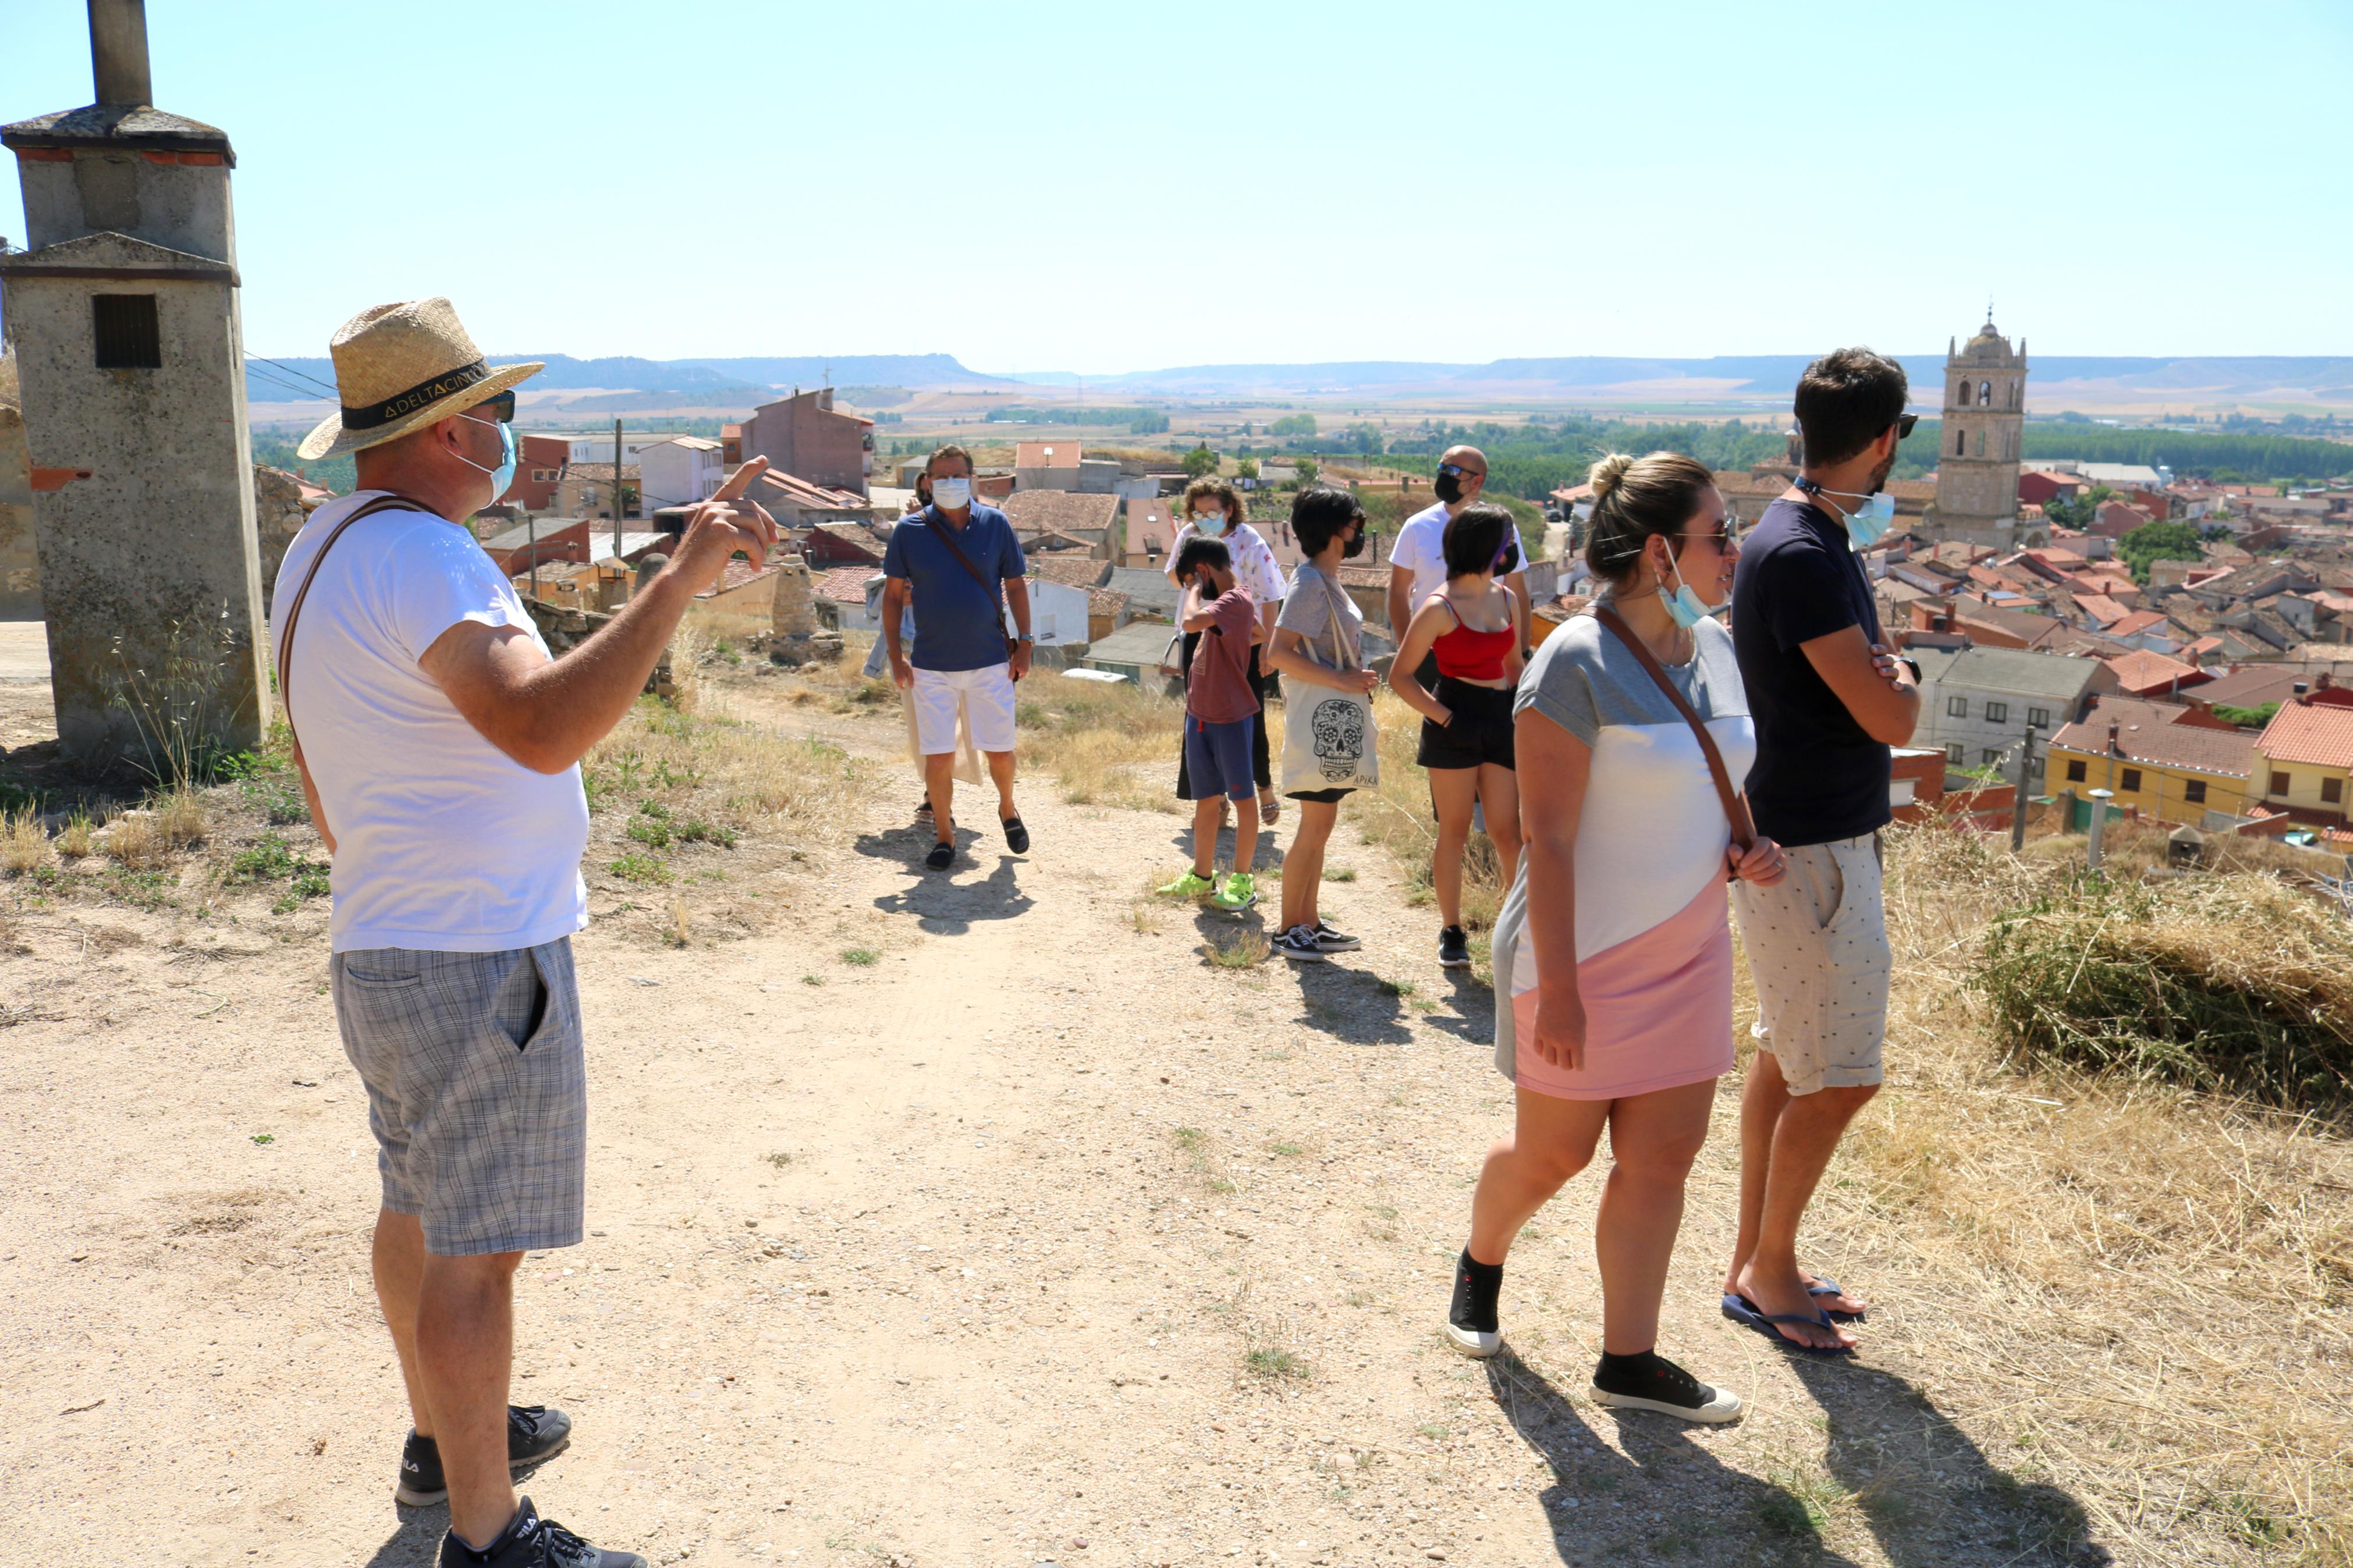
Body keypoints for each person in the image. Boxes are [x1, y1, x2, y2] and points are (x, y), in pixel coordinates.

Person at [278, 297, 775, 1568]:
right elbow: (542, 728)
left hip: (388, 941)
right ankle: (492, 1537)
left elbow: (320, 771)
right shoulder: (427, 557)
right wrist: (677, 582)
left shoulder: (324, 545)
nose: (509, 429)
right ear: (451, 430)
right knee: (477, 1257)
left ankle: (443, 1441)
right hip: (475, 957)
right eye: (497, 408)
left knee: (417, 1206)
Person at [1446, 451, 1787, 1424]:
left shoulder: (1714, 648)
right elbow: (1545, 840)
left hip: (1688, 948)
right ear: (1656, 552)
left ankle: (1627, 1361)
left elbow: (1710, 780)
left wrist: (1744, 845)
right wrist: (1558, 991)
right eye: (1719, 534)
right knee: (1552, 1156)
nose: (1734, 549)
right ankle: (1479, 1260)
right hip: (1578, 956)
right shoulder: (1571, 662)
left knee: (1661, 1160)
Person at [1722, 349, 1922, 1353]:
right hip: (1814, 852)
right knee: (1840, 1075)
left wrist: (1889, 677)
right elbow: (1888, 715)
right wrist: (1908, 679)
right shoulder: (1804, 554)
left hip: (1805, 841)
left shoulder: (1799, 535)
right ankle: (1767, 1271)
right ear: (1882, 440)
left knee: (1786, 1057)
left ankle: (1758, 1257)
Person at [882, 446, 1035, 871]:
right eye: (941, 476)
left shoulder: (996, 524)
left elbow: (1016, 586)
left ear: (972, 478)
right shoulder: (909, 530)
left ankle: (1007, 807)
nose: (950, 482)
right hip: (931, 666)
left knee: (1000, 752)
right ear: (927, 481)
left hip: (990, 660)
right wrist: (896, 656)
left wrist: (1025, 642)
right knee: (938, 756)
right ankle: (945, 838)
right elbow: (892, 597)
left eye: (958, 475)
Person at [1387, 503, 1525, 969]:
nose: (1512, 551)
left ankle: (1519, 929)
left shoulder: (1508, 599)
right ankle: (1451, 930)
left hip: (1499, 716)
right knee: (1455, 830)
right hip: (1453, 716)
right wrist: (1446, 719)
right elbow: (1400, 677)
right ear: (1488, 547)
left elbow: (1514, 667)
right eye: (1507, 542)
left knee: (1507, 832)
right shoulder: (1437, 607)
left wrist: (1525, 715)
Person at [1263, 486, 1378, 961]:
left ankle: (1307, 923)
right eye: (1355, 523)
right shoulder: (1311, 582)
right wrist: (1340, 679)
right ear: (1335, 529)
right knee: (1313, 827)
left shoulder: (1320, 578)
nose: (1360, 531)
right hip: (1322, 716)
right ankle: (1288, 928)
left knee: (1321, 825)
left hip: (1331, 714)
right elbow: (1276, 653)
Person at [1165, 477, 1286, 824]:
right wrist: (1191, 575)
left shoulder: (1250, 541)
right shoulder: (1188, 535)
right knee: (1200, 715)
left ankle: (1262, 785)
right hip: (1199, 636)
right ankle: (1214, 798)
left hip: (1241, 637)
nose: (1204, 519)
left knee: (1249, 714)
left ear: (1229, 509)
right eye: (1198, 513)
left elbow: (1270, 594)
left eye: (1212, 512)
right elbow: (1173, 575)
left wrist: (1267, 647)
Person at [1155, 536, 1262, 912]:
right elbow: (1259, 633)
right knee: (1206, 800)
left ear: (1202, 570)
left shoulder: (1235, 599)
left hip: (1230, 717)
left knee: (1243, 799)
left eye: (1190, 580)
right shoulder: (1228, 609)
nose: (1191, 590)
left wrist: (1194, 590)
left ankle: (1242, 880)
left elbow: (1189, 622)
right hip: (1201, 714)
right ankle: (1202, 876)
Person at [1386, 445, 1532, 678]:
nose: (1443, 475)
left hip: (1492, 654)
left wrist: (1523, 653)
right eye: (1441, 468)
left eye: (1452, 471)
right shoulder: (1416, 527)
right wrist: (1411, 652)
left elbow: (1519, 593)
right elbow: (1398, 592)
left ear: (1477, 481)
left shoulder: (1502, 528)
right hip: (1432, 655)